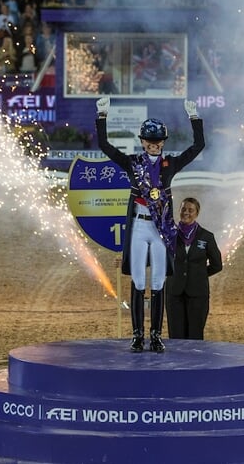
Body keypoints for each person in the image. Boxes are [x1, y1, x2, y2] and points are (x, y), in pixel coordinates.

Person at [96, 97, 205, 353]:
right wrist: (102, 116)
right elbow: (104, 145)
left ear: (163, 143)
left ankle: (155, 335)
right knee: (137, 281)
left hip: (161, 229)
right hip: (139, 225)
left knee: (157, 283)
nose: (154, 146)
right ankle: (137, 334)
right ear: (142, 142)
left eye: (158, 142)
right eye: (149, 142)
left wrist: (194, 117)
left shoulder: (171, 164)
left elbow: (198, 145)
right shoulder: (132, 163)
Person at [165, 197, 222, 340]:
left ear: (197, 213)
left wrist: (200, 274)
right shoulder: (170, 235)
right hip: (174, 293)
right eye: (183, 209)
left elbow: (217, 264)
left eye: (190, 210)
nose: (186, 212)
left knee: (195, 335)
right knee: (176, 335)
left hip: (197, 294)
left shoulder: (207, 237)